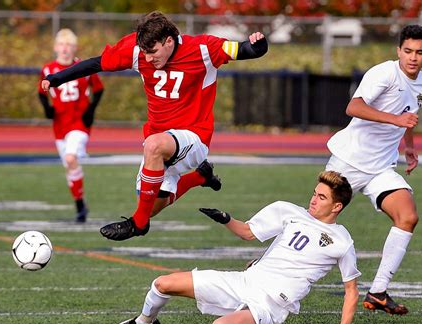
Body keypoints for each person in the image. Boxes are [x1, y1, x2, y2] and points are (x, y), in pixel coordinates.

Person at [41, 11, 268, 239]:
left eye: (153, 52)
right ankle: (199, 177)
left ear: (169, 41)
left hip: (194, 136)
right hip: (160, 136)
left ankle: (137, 225)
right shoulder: (138, 49)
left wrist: (258, 44)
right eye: (145, 53)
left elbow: (244, 50)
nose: (148, 59)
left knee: (153, 147)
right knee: (151, 206)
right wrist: (56, 78)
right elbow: (97, 63)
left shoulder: (203, 48)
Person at [112, 171, 361, 324]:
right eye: (314, 193)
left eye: (321, 197)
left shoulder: (342, 241)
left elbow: (351, 290)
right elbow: (248, 232)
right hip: (245, 281)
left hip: (270, 304)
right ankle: (145, 322)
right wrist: (226, 218)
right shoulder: (289, 211)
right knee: (162, 283)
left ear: (337, 206)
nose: (313, 199)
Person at [326, 25, 422, 315]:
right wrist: (395, 121)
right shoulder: (384, 72)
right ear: (398, 51)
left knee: (408, 216)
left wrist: (408, 147)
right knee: (316, 225)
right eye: (408, 51)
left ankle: (378, 292)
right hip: (348, 161)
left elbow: (409, 115)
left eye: (419, 52)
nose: (413, 57)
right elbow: (354, 107)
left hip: (381, 168)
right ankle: (265, 266)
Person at [38, 28, 104, 223]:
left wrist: (91, 110)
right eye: (62, 44)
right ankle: (80, 204)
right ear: (56, 47)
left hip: (79, 123)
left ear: (75, 48)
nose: (65, 49)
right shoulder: (48, 69)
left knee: (70, 157)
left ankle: (80, 206)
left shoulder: (82, 68)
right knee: (69, 166)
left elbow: (99, 90)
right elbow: (41, 92)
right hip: (60, 125)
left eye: (69, 45)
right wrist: (46, 109)